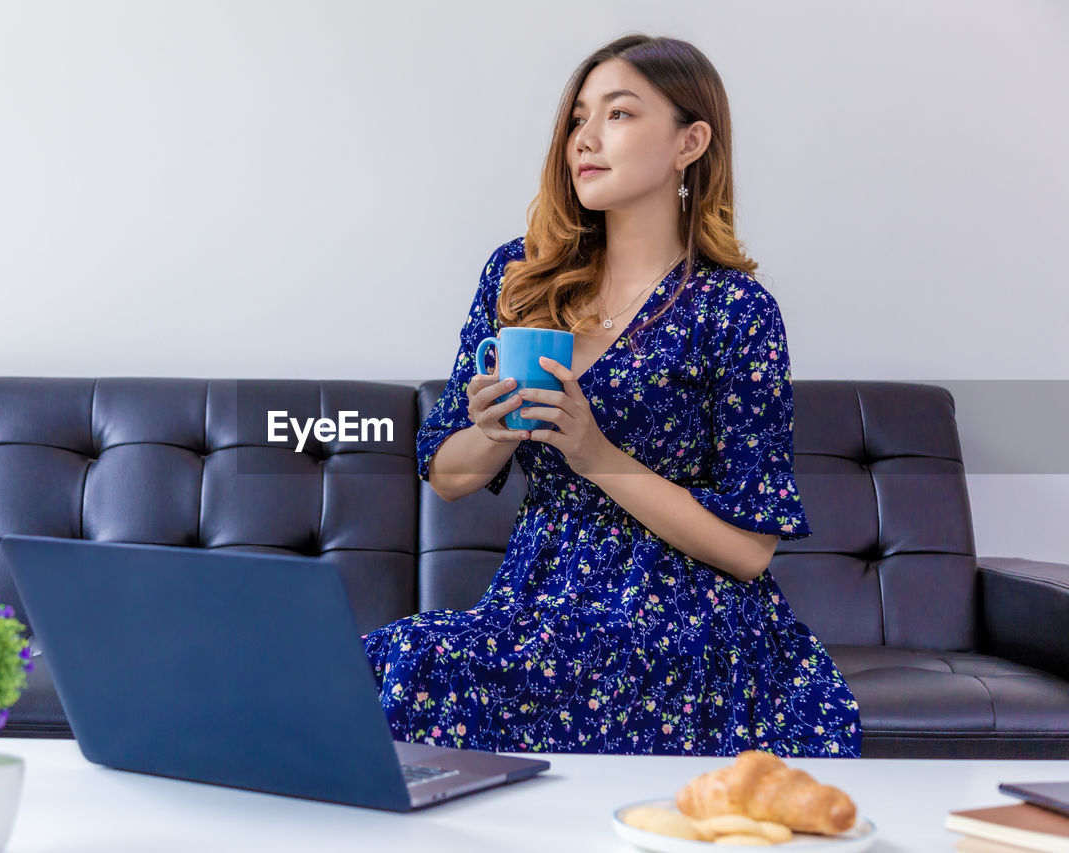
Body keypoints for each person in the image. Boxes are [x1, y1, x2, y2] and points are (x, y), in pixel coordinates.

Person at [361, 33, 861, 757]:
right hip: (537, 596)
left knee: (422, 665)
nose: (585, 139)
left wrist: (595, 454)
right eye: (577, 118)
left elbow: (751, 551)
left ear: (690, 141)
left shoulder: (735, 310)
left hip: (684, 614)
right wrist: (495, 429)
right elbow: (446, 473)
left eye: (618, 115)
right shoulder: (519, 276)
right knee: (381, 661)